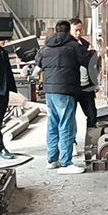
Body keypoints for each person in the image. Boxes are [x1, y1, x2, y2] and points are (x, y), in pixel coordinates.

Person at [36, 20, 96, 174]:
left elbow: (38, 62)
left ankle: (52, 160)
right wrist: (91, 52)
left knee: (52, 124)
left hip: (50, 91)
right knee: (66, 126)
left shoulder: (46, 47)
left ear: (55, 31)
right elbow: (88, 62)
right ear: (69, 31)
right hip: (66, 90)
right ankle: (66, 163)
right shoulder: (74, 46)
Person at [69, 18, 98, 156]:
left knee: (92, 115)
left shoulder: (86, 44)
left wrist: (94, 82)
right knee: (70, 117)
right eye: (75, 30)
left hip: (86, 87)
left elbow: (92, 65)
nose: (78, 33)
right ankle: (72, 143)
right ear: (69, 30)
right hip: (72, 88)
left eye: (80, 30)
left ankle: (90, 143)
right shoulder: (68, 46)